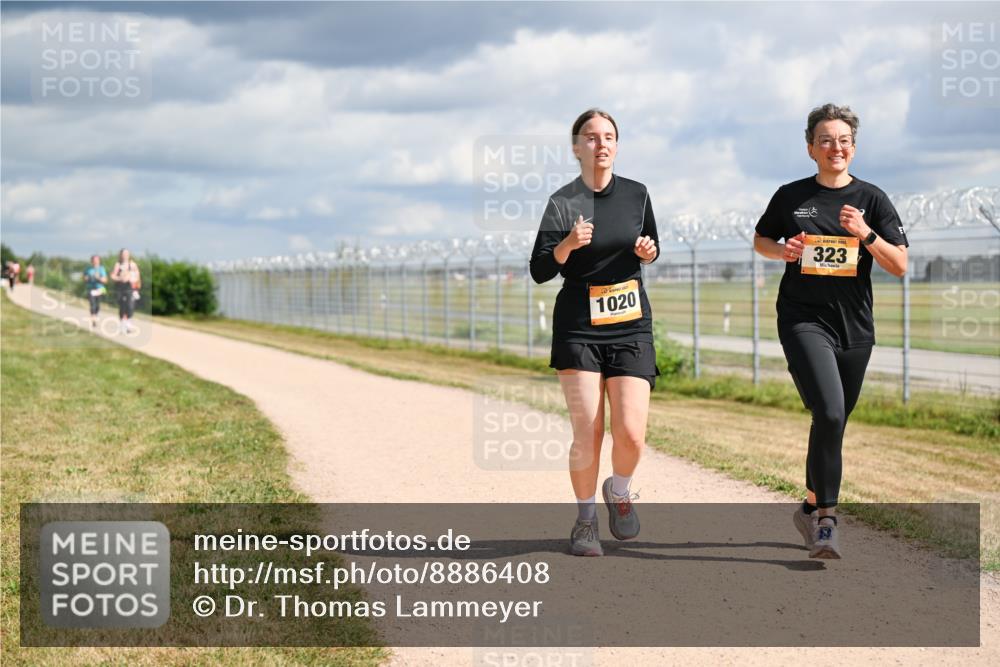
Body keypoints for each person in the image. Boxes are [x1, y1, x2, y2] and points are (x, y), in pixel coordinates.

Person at [754, 104, 908, 558]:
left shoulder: (872, 200)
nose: (834, 147)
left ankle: (808, 506)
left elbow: (899, 265)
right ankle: (826, 522)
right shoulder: (790, 196)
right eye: (825, 139)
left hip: (855, 328)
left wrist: (866, 234)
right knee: (831, 411)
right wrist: (782, 250)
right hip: (803, 319)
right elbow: (761, 239)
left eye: (843, 140)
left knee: (831, 421)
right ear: (810, 148)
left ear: (853, 148)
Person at [530, 108, 660, 557]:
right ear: (575, 148)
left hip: (630, 323)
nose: (600, 144)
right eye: (590, 137)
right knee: (588, 433)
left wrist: (648, 250)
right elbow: (540, 269)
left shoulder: (638, 195)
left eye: (608, 136)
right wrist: (566, 244)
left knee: (630, 433)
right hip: (578, 327)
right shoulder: (562, 201)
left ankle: (619, 491)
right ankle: (586, 522)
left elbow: (650, 246)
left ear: (617, 146)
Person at [110, 249, 141, 334]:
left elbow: (137, 276)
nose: (125, 255)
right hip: (120, 288)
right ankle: (122, 324)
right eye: (123, 253)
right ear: (121, 255)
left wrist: (132, 279)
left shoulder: (133, 265)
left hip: (130, 288)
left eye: (127, 253)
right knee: (122, 307)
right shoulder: (118, 264)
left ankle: (128, 323)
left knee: (130, 306)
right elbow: (113, 275)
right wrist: (120, 278)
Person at [83, 255, 109, 328]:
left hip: (100, 289)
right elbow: (84, 278)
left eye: (96, 260)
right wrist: (88, 278)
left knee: (97, 305)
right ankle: (93, 318)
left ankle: (95, 315)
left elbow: (105, 280)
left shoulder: (101, 269)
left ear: (99, 261)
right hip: (91, 289)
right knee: (92, 304)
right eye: (94, 260)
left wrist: (98, 278)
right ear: (92, 261)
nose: (95, 262)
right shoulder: (88, 269)